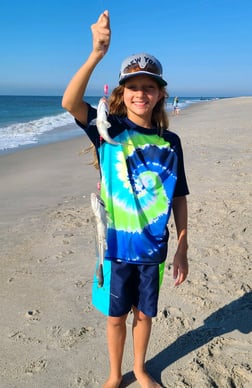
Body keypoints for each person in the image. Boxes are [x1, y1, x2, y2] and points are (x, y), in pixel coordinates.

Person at [62, 10, 189, 388]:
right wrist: (96, 54)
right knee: (116, 316)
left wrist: (183, 245)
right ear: (121, 93)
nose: (141, 93)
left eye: (149, 86)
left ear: (161, 93)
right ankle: (115, 375)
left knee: (144, 315)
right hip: (114, 247)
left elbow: (179, 195)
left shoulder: (171, 143)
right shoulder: (108, 130)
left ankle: (140, 369)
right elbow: (70, 102)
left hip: (155, 249)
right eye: (133, 86)